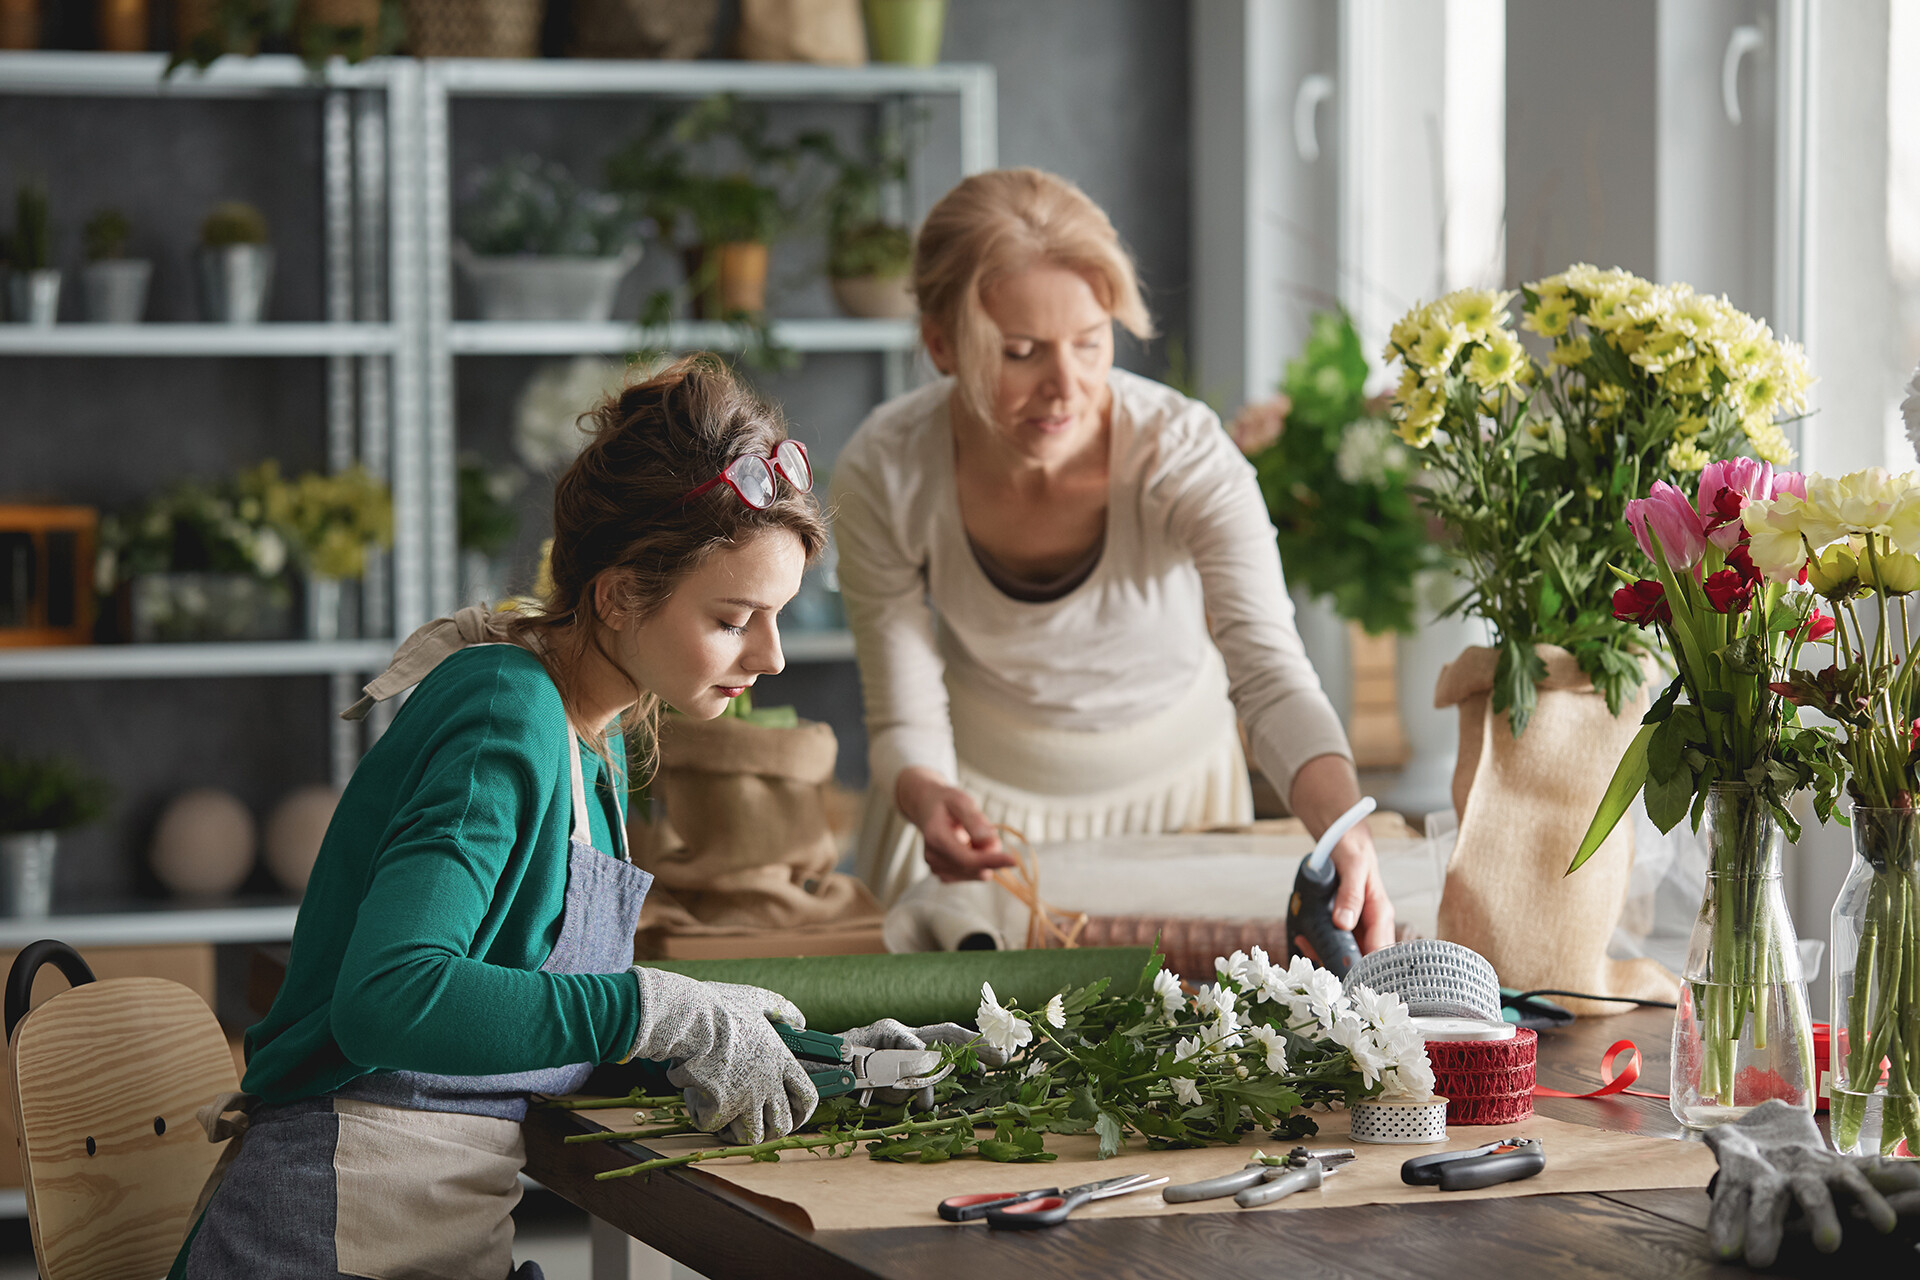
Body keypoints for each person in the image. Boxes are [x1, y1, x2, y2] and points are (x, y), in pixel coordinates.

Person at [170, 358, 941, 1279]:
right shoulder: (505, 711)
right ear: (619, 596)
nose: (770, 657)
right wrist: (656, 1008)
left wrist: (825, 1059)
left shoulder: (594, 735)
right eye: (736, 618)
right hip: (328, 1227)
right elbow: (391, 1000)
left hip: (429, 1222)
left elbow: (550, 1018)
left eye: (776, 616)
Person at [830, 168, 1396, 956]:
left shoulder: (1184, 453)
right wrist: (926, 793)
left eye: (1091, 344)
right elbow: (903, 717)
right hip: (974, 817)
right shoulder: (885, 470)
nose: (1066, 388)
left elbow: (1269, 671)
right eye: (1021, 352)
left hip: (1179, 809)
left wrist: (1342, 830)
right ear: (940, 344)